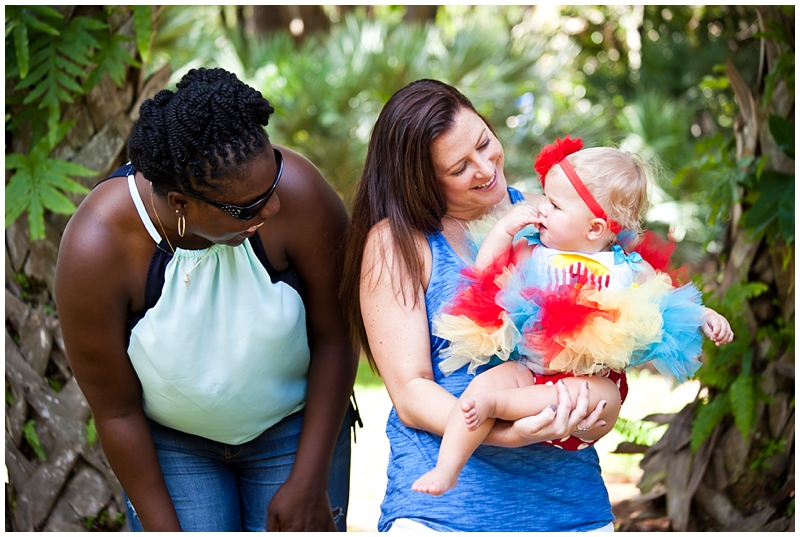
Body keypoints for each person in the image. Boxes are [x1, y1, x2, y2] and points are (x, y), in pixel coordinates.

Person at [54, 68, 357, 532]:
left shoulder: (300, 194)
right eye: (248, 208)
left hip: (297, 426)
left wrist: (308, 482)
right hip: (173, 446)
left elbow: (337, 338)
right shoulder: (98, 247)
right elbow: (116, 410)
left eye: (272, 181)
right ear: (181, 203)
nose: (272, 208)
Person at [341, 79, 623, 532]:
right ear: (423, 181)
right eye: (459, 168)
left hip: (569, 506)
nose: (486, 168)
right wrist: (506, 435)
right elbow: (412, 393)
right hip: (448, 515)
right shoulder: (398, 244)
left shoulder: (549, 219)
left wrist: (588, 414)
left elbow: (606, 327)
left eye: (484, 143)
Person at [412, 137, 734, 496]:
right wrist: (505, 230)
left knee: (602, 399)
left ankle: (497, 406)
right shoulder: (533, 250)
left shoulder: (625, 267)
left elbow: (669, 302)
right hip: (531, 371)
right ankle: (447, 468)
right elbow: (483, 273)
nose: (542, 210)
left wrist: (704, 314)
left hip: (588, 385)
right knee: (480, 388)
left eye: (553, 205)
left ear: (595, 228)